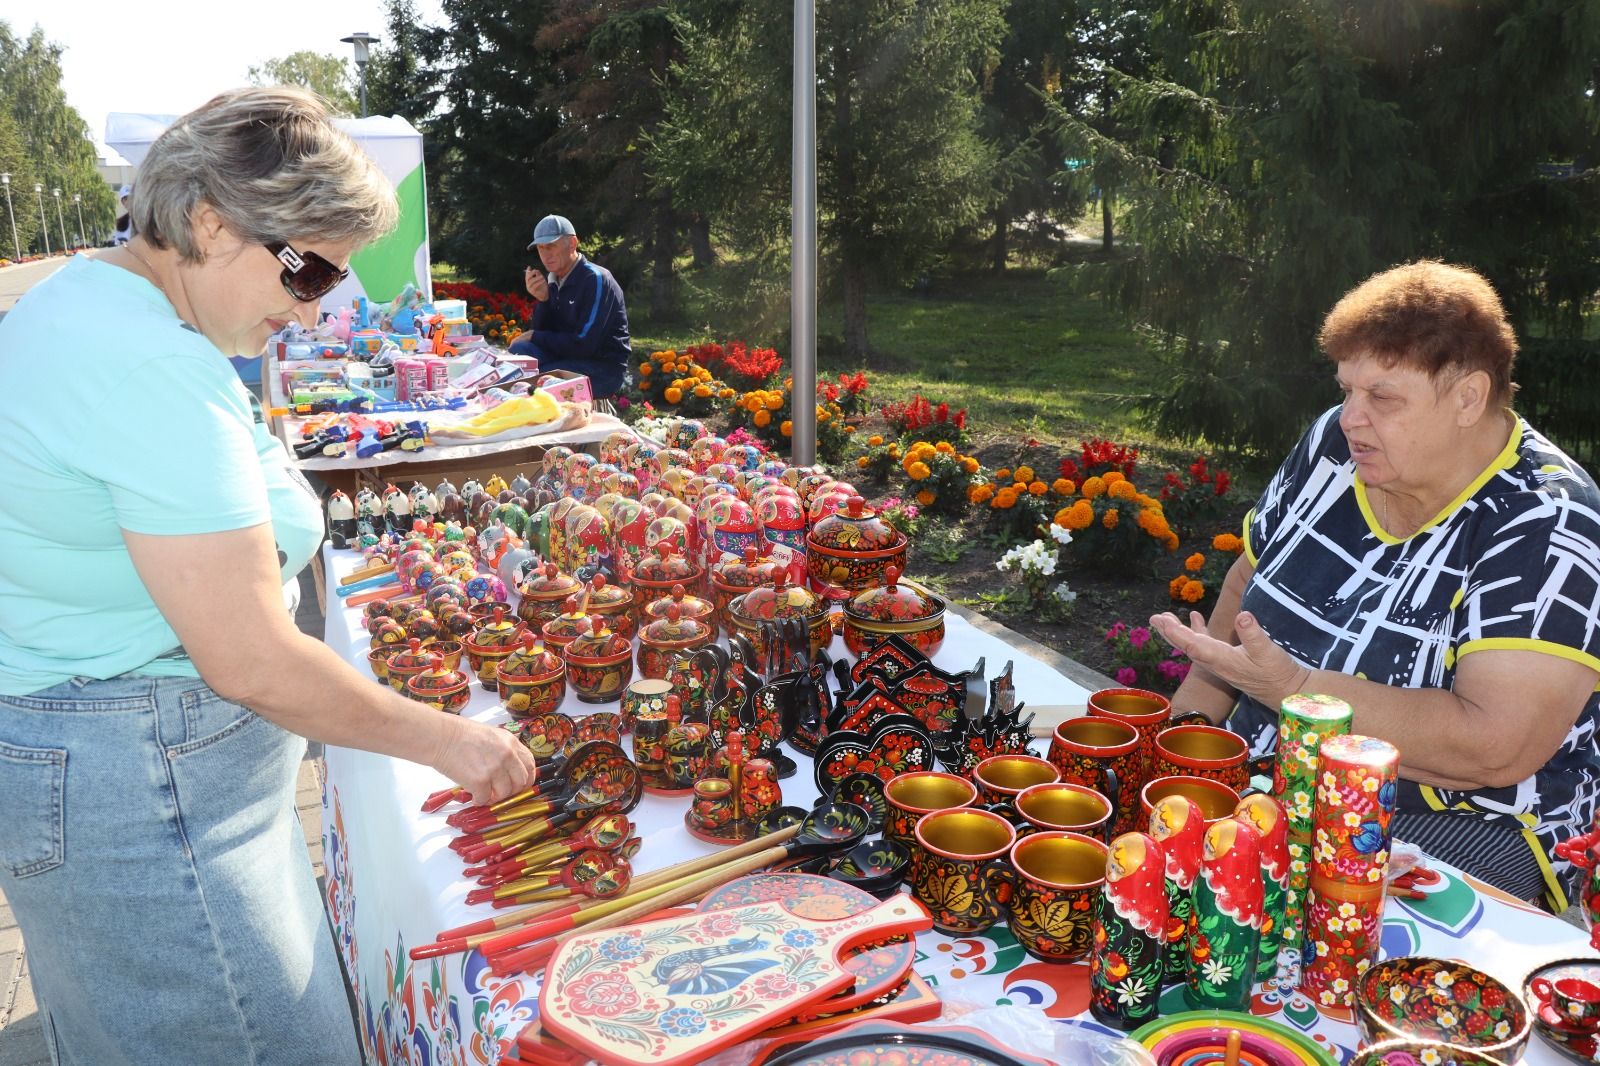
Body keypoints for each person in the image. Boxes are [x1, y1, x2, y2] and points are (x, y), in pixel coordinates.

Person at [0, 87, 538, 1065]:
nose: (316, 304)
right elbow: (250, 659)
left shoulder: (95, 303)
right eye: (308, 271)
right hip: (148, 802)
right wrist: (450, 742)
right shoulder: (144, 365)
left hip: (126, 784)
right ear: (210, 221)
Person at [1152, 260, 1600, 910]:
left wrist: (1300, 695)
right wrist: (1184, 739)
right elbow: (1251, 577)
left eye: (1383, 397)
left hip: (1459, 818)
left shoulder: (1548, 521)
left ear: (1469, 398)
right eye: (1346, 390)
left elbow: (1493, 747)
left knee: (1291, 939)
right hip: (1280, 769)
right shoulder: (1336, 446)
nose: (1351, 418)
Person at [508, 213, 631, 397]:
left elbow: (584, 345)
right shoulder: (554, 280)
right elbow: (546, 332)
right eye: (540, 248)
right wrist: (543, 300)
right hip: (568, 357)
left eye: (551, 246)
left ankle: (532, 416)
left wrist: (534, 336)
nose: (545, 255)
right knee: (519, 355)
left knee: (534, 378)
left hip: (602, 369)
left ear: (572, 243)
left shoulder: (595, 279)